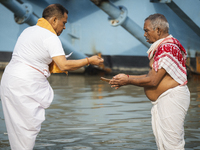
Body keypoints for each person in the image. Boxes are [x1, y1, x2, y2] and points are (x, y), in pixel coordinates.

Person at [0, 4, 103, 150]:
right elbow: (64, 65)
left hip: (8, 81)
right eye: (64, 23)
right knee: (26, 133)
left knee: (16, 131)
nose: (65, 27)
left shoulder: (28, 30)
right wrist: (89, 60)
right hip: (25, 84)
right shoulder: (50, 37)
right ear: (54, 20)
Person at [109, 14, 190, 150]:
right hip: (167, 100)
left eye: (147, 30)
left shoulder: (167, 48)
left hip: (172, 100)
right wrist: (126, 77)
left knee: (173, 146)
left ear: (158, 30)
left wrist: (127, 80)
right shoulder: (165, 46)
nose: (144, 34)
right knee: (166, 146)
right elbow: (150, 75)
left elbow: (152, 81)